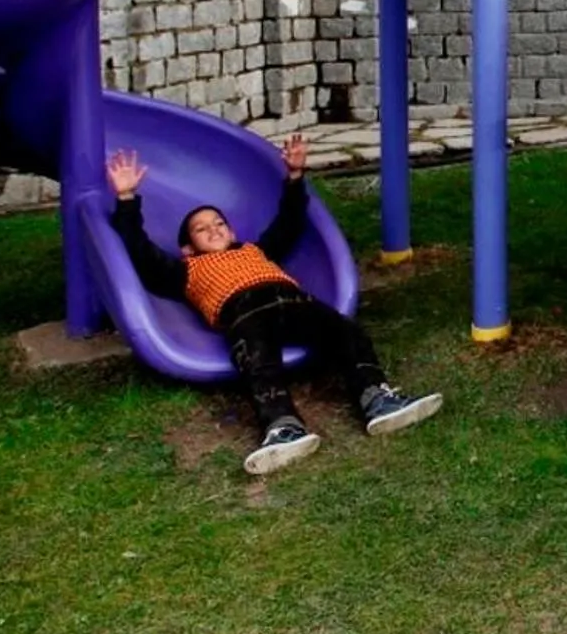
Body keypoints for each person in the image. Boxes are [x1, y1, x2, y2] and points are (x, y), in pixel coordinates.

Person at [106, 135, 444, 475]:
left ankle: (377, 397)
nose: (213, 230)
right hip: (244, 311)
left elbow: (290, 223)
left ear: (232, 229)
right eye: (201, 229)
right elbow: (141, 254)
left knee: (345, 331)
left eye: (219, 223)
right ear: (187, 248)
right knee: (258, 360)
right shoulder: (185, 270)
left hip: (293, 299)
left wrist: (295, 175)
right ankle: (282, 427)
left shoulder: (256, 251)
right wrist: (125, 197)